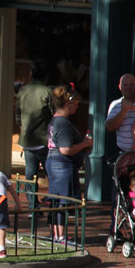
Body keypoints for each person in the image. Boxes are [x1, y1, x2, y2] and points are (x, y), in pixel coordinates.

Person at [46, 85, 92, 243]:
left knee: (56, 200)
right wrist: (85, 144)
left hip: (55, 163)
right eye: (76, 103)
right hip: (62, 166)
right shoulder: (63, 123)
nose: (78, 106)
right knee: (62, 202)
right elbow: (66, 149)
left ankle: (57, 235)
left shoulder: (55, 119)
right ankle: (60, 236)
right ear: (67, 104)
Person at [16, 60, 53, 186]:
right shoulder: (48, 92)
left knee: (30, 175)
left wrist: (24, 127)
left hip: (28, 140)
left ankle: (32, 203)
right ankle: (54, 200)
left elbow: (18, 115)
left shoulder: (23, 91)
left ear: (31, 74)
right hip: (44, 140)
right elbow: (55, 114)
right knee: (50, 173)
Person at [105, 74, 135, 154]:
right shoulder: (115, 104)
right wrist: (123, 111)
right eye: (125, 85)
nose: (128, 88)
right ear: (120, 87)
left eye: (131, 85)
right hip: (124, 153)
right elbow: (109, 127)